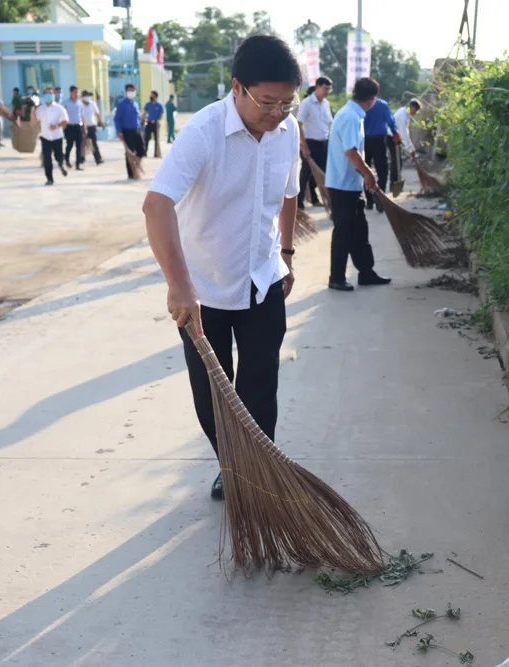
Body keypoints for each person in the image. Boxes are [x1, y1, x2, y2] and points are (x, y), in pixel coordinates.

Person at [142, 35, 302, 500]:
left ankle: (256, 467)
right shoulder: (203, 131)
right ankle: (229, 462)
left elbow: (288, 193)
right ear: (237, 88)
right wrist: (178, 285)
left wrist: (286, 254)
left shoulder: (286, 132)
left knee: (261, 382)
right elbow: (157, 205)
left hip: (263, 279)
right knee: (214, 393)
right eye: (266, 102)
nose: (275, 114)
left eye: (286, 104)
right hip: (204, 290)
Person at [324, 77, 391, 291]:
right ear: (372, 100)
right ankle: (336, 277)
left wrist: (364, 176)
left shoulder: (351, 114)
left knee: (359, 230)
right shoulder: (351, 117)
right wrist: (369, 174)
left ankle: (366, 272)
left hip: (349, 184)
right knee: (344, 231)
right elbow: (352, 152)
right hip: (342, 185)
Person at [295, 76, 333, 210]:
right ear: (317, 87)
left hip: (323, 142)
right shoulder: (307, 103)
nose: (327, 91)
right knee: (305, 173)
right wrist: (303, 145)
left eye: (329, 89)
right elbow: (298, 124)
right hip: (310, 143)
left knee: (320, 172)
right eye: (325, 88)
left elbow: (329, 124)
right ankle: (298, 201)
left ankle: (315, 198)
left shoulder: (326, 104)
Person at [362, 96, 400, 212]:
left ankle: (369, 201)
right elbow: (390, 121)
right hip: (379, 141)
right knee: (382, 171)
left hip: (363, 141)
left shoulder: (361, 104)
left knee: (365, 170)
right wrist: (395, 133)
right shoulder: (382, 104)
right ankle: (379, 197)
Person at [32, 86, 69, 185]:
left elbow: (66, 121)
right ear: (44, 96)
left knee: (58, 156)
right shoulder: (40, 109)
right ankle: (49, 178)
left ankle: (61, 165)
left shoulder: (59, 108)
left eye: (50, 93)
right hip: (45, 138)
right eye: (47, 94)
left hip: (57, 137)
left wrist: (57, 125)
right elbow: (34, 122)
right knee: (47, 159)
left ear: (53, 95)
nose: (49, 96)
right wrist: (32, 110)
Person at [114, 83, 144, 179]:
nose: (131, 93)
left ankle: (137, 166)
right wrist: (119, 131)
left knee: (141, 150)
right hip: (127, 131)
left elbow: (138, 117)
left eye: (133, 91)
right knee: (129, 152)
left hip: (136, 130)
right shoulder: (122, 104)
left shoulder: (135, 103)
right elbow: (117, 119)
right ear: (126, 92)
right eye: (129, 90)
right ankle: (131, 173)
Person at [393, 99, 421, 171]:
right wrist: (411, 150)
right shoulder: (403, 116)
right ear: (413, 108)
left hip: (395, 138)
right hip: (392, 138)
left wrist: (411, 149)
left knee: (397, 162)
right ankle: (395, 180)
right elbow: (404, 135)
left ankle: (396, 179)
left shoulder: (404, 112)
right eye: (416, 111)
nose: (415, 113)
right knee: (397, 163)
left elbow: (406, 133)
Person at [63, 85, 85, 170]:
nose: (76, 94)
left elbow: (82, 115)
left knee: (79, 146)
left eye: (77, 92)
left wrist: (84, 127)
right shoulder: (65, 102)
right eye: (75, 92)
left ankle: (78, 164)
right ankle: (67, 160)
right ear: (71, 93)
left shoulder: (80, 103)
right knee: (70, 145)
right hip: (69, 127)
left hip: (79, 126)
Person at [81, 90, 104, 165]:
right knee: (82, 143)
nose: (88, 97)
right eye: (87, 96)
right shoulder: (80, 104)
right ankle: (81, 158)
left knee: (94, 143)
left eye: (89, 96)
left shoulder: (93, 104)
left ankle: (98, 158)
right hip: (82, 126)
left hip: (92, 126)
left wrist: (101, 123)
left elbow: (97, 114)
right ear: (83, 97)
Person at [143, 91, 165, 158]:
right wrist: (143, 119)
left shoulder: (159, 105)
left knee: (156, 139)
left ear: (155, 96)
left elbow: (161, 114)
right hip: (149, 123)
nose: (150, 96)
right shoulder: (148, 104)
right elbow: (144, 112)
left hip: (156, 123)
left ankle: (156, 154)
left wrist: (159, 120)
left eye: (152, 95)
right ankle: (145, 152)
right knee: (146, 138)